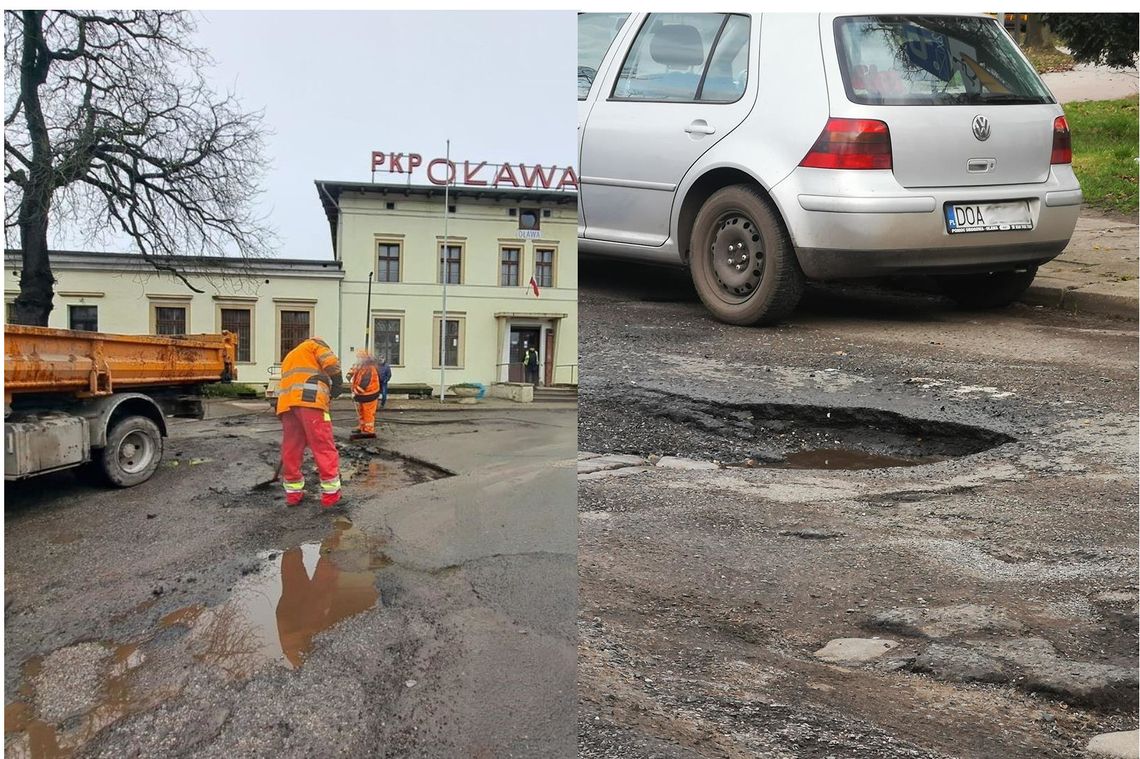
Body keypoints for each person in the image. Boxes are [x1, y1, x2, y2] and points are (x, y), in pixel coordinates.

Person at [275, 336, 344, 508]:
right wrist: (337, 383)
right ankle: (331, 494)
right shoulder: (316, 345)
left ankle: (293, 493)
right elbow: (331, 364)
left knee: (291, 447)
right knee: (323, 444)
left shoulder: (291, 355)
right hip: (310, 401)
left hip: (287, 405)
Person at [348, 349, 380, 439]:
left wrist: (356, 393)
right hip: (364, 395)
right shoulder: (362, 365)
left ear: (363, 358)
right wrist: (349, 374)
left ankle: (369, 430)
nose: (357, 359)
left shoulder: (369, 369)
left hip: (369, 395)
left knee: (368, 413)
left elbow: (364, 384)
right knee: (362, 411)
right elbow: (354, 368)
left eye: (359, 357)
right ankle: (362, 427)